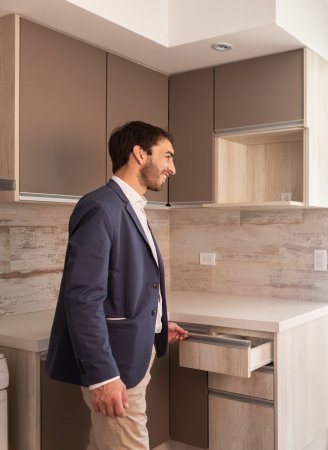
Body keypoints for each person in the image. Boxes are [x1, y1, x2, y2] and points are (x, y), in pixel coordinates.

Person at [45, 121, 189, 450]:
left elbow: (126, 283)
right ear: (140, 153)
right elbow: (82, 297)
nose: (173, 168)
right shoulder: (100, 207)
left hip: (134, 355)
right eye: (167, 156)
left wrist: (156, 323)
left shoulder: (131, 207)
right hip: (117, 367)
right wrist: (104, 376)